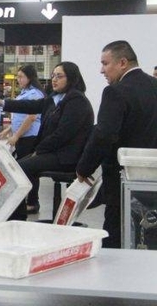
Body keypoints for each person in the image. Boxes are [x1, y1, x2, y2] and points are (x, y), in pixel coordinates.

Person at [76, 41, 157, 248]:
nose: (101, 70)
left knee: (115, 231)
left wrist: (84, 168)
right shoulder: (154, 85)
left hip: (122, 178)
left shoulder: (115, 92)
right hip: (151, 176)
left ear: (122, 62)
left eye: (105, 63)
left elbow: (104, 134)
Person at [0, 62, 94, 220]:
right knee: (15, 167)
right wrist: (2, 103)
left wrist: (39, 150)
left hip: (66, 157)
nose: (54, 80)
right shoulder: (55, 99)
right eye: (53, 76)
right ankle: (15, 216)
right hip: (53, 153)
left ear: (71, 78)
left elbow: (62, 134)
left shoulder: (77, 101)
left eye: (59, 76)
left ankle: (17, 218)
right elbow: (31, 106)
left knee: (18, 169)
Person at [0, 65, 45, 214]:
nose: (18, 79)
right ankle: (26, 200)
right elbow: (20, 115)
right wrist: (9, 129)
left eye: (21, 77)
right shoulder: (24, 93)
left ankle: (32, 202)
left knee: (29, 170)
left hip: (30, 137)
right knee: (22, 169)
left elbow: (31, 117)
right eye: (17, 76)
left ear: (29, 77)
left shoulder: (35, 94)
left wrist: (16, 135)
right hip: (23, 136)